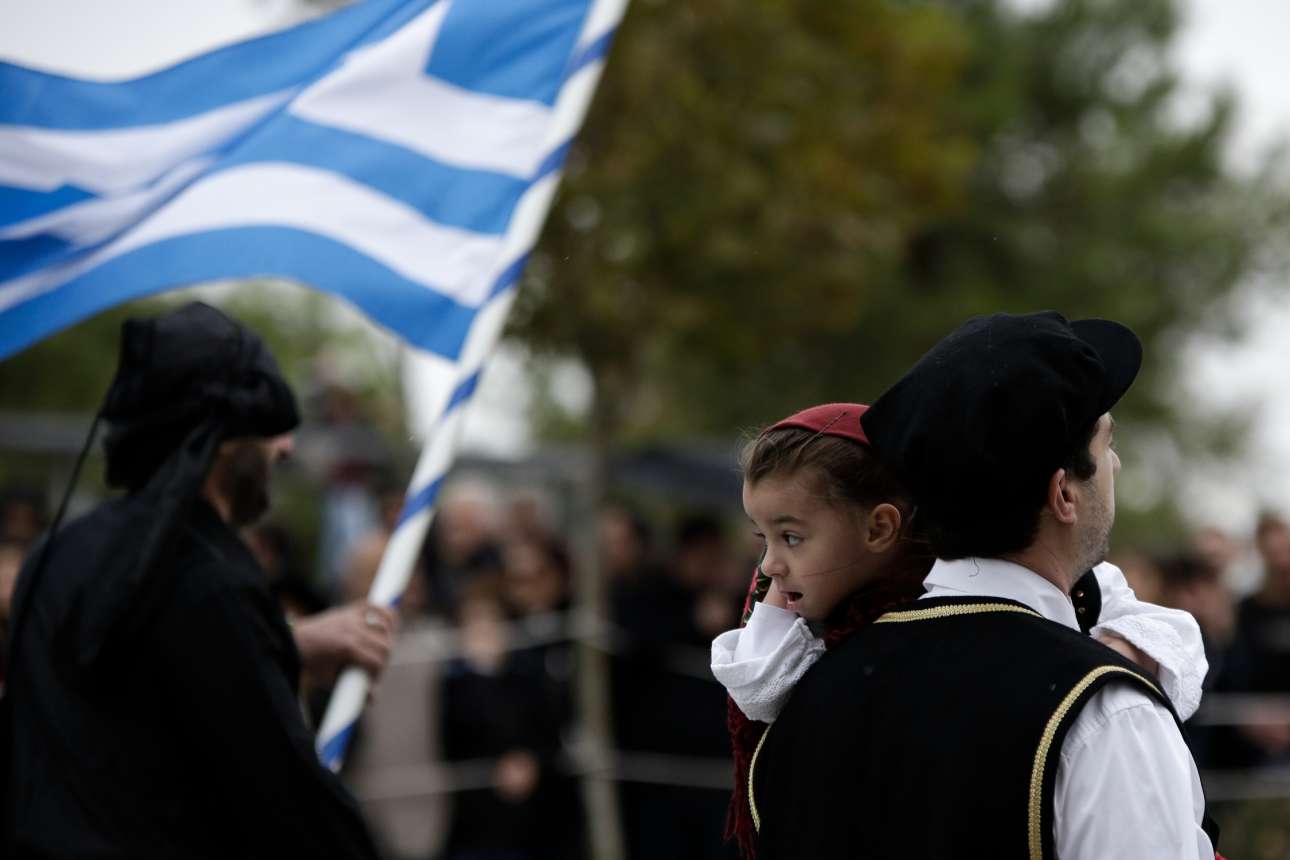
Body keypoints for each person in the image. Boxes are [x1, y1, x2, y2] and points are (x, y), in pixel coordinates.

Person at [745, 312, 1217, 858]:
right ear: (1063, 493)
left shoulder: (807, 704)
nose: (1115, 462)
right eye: (1104, 443)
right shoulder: (1103, 712)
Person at [1, 302, 386, 858]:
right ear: (223, 442)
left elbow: (128, 690)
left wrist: (288, 644)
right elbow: (295, 813)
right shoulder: (211, 580)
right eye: (271, 430)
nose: (287, 447)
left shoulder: (56, 555)